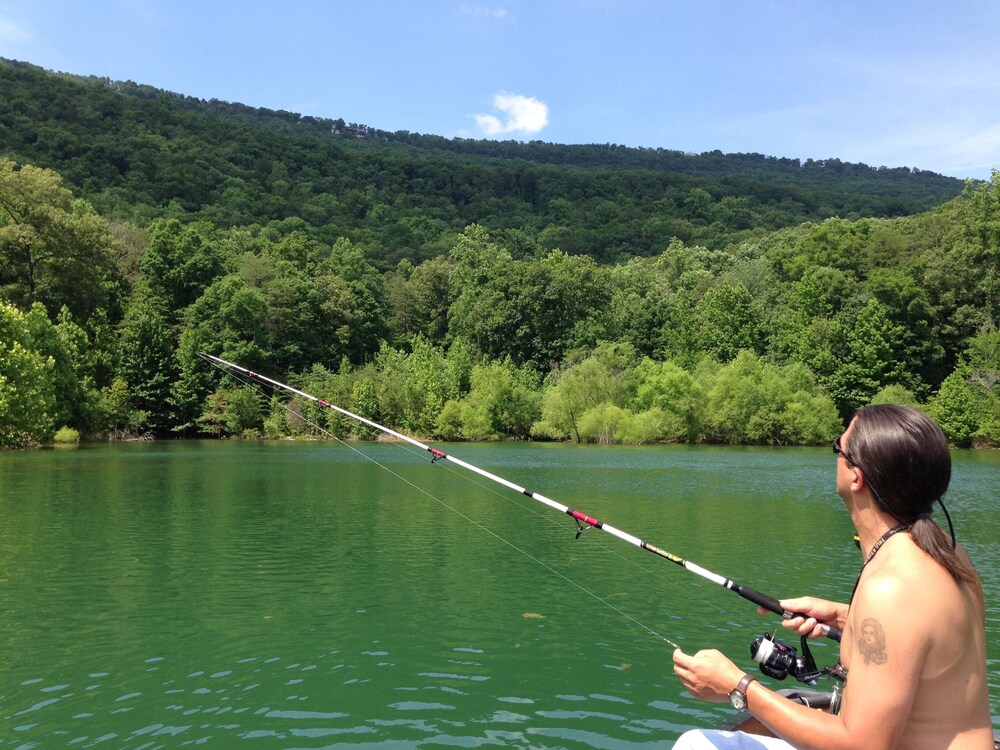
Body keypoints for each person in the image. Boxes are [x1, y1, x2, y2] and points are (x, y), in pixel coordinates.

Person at [672, 404, 995, 749]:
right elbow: (931, 634)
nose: (834, 457)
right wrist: (845, 616)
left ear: (856, 476)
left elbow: (862, 745)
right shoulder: (948, 552)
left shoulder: (891, 589)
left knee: (696, 744)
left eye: (837, 448)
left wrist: (738, 686)